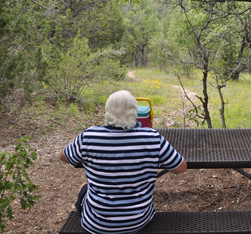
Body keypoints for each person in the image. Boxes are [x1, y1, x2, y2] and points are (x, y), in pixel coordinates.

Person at [60, 90, 187, 234]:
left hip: (97, 225)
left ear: (107, 111)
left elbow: (64, 157)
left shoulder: (89, 136)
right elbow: (181, 167)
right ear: (135, 112)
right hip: (138, 221)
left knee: (84, 187)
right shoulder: (152, 137)